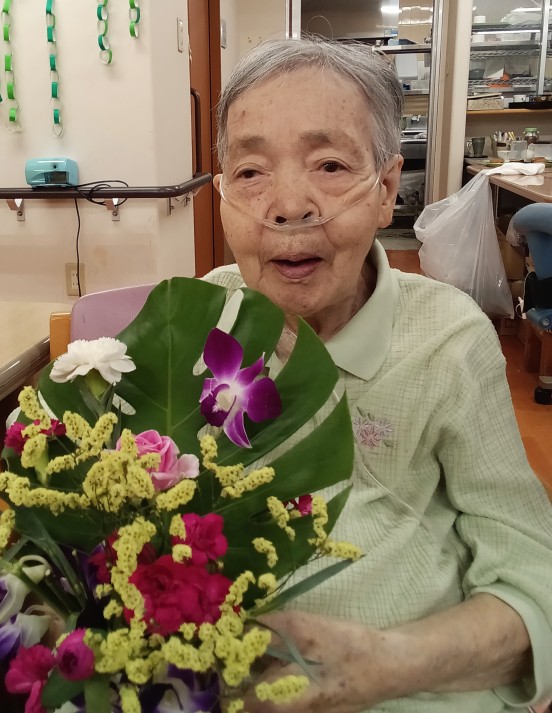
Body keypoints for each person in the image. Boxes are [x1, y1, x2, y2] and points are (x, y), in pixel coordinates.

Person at [203, 37, 552, 712]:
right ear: (221, 197)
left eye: (330, 164)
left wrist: (384, 664)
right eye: (250, 172)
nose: (289, 205)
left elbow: (535, 576)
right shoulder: (197, 322)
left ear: (387, 190)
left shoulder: (449, 338)